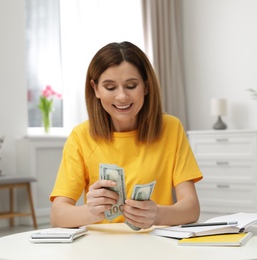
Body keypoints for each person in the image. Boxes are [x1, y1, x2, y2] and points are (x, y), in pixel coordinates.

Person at [50, 41, 202, 230]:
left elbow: (192, 208)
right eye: (110, 87)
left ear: (146, 86)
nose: (122, 96)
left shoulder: (171, 128)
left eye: (131, 85)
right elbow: (57, 216)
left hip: (154, 245)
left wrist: (157, 214)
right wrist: (91, 212)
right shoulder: (81, 136)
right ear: (95, 89)